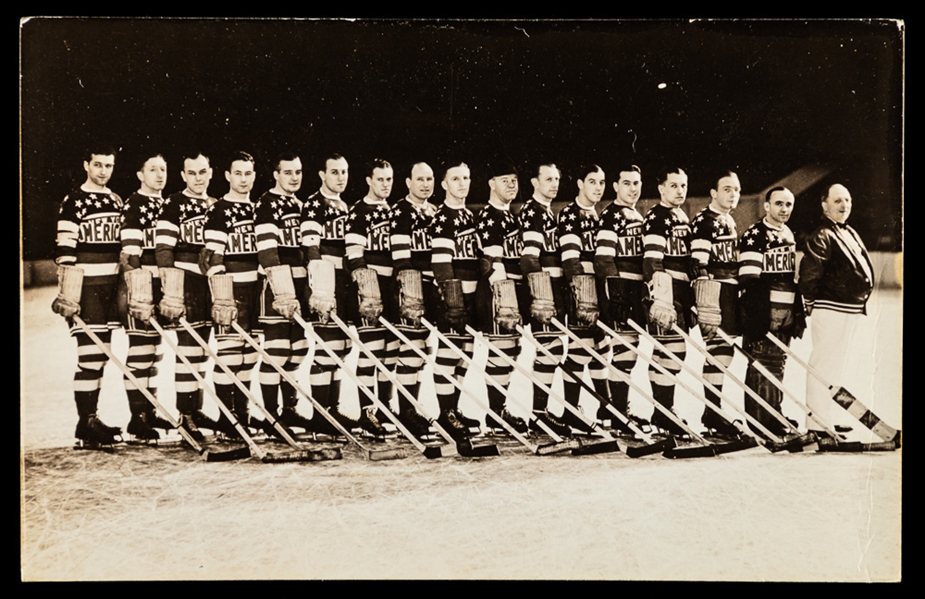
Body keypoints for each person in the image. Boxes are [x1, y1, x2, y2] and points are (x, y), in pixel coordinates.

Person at [52, 146, 124, 447]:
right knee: (90, 356)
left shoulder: (116, 200)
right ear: (86, 165)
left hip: (110, 287)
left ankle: (91, 419)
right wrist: (69, 291)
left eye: (108, 165)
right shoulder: (74, 202)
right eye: (97, 165)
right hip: (87, 289)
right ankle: (86, 422)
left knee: (102, 353)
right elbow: (65, 251)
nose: (103, 171)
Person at [155, 151, 221, 442]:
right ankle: (185, 413)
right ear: (183, 175)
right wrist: (171, 287)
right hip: (186, 282)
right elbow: (164, 249)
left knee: (203, 350)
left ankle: (197, 408)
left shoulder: (216, 205)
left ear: (210, 172)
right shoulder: (173, 203)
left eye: (203, 171)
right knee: (188, 351)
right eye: (192, 173)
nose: (198, 178)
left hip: (210, 284)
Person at [798, 183, 873, 436]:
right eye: (838, 200)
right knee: (823, 366)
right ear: (824, 204)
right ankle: (817, 425)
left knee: (836, 368)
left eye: (848, 200)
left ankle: (826, 417)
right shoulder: (822, 233)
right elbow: (809, 275)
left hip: (848, 309)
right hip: (831, 309)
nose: (844, 205)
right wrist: (810, 304)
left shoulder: (846, 231)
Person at [199, 151, 263, 437]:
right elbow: (211, 257)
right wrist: (221, 292)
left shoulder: (257, 208)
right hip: (231, 291)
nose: (243, 179)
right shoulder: (220, 209)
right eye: (238, 173)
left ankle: (243, 412)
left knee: (249, 356)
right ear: (227, 176)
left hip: (255, 289)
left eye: (248, 173)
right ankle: (228, 418)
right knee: (230, 355)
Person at [738, 186, 805, 437]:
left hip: (784, 312)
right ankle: (759, 420)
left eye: (788, 204)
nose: (784, 209)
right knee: (762, 364)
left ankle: (774, 413)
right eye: (778, 203)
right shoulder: (755, 234)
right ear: (766, 206)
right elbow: (748, 278)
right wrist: (757, 317)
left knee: (778, 364)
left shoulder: (787, 232)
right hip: (764, 312)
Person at [253, 152, 313, 432]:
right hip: (277, 285)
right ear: (276, 174)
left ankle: (288, 410)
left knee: (299, 349)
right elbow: (267, 251)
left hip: (300, 284)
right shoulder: (266, 204)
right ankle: (270, 416)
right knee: (277, 351)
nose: (294, 177)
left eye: (298, 171)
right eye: (288, 172)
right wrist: (281, 288)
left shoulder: (300, 205)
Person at [118, 151, 175, 441]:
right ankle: (137, 417)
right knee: (140, 350)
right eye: (152, 169)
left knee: (155, 352)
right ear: (141, 175)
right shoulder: (135, 204)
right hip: (141, 286)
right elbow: (130, 252)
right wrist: (139, 287)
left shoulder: (167, 204)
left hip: (161, 285)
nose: (159, 175)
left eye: (163, 169)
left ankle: (148, 411)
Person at [300, 153, 357, 436]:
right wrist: (320, 286)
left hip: (343, 282)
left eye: (344, 172)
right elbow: (311, 248)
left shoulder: (343, 205)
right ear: (322, 175)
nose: (341, 177)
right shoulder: (314, 204)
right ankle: (320, 414)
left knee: (342, 348)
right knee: (328, 347)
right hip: (326, 283)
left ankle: (332, 409)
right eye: (334, 172)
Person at [343, 158, 400, 438]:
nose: (385, 184)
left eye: (389, 179)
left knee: (391, 353)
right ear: (369, 180)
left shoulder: (395, 210)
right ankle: (367, 412)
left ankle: (386, 408)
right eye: (380, 179)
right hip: (372, 288)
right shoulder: (359, 211)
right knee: (371, 351)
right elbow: (354, 255)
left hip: (395, 287)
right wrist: (365, 286)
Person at [387, 161, 444, 437]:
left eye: (430, 179)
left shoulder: (433, 212)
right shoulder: (401, 210)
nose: (425, 184)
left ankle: (414, 407)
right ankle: (406, 411)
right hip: (412, 287)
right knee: (412, 347)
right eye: (420, 179)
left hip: (432, 287)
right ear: (408, 182)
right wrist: (414, 289)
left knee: (424, 350)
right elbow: (400, 257)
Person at [688, 170, 744, 437]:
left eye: (736, 189)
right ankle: (712, 411)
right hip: (716, 293)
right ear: (713, 193)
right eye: (727, 189)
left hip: (731, 292)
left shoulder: (728, 220)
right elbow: (698, 263)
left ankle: (714, 410)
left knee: (725, 352)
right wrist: (706, 303)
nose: (733, 194)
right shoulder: (705, 220)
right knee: (718, 350)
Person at [594, 164, 649, 431]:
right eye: (627, 183)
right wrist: (615, 295)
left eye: (637, 183)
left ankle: (615, 411)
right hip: (619, 293)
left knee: (629, 353)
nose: (633, 188)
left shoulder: (635, 215)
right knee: (625, 353)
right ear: (615, 187)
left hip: (634, 292)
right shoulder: (611, 216)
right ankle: (618, 413)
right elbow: (604, 259)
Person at [474, 161, 528, 434]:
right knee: (501, 352)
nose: (511, 184)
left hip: (514, 292)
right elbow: (492, 262)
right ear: (491, 183)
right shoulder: (489, 215)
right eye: (504, 179)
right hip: (500, 293)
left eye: (514, 180)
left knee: (511, 351)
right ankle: (495, 415)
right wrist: (504, 296)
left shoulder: (511, 215)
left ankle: (500, 411)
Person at [429, 161, 482, 436]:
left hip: (472, 298)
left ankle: (455, 408)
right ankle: (445, 413)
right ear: (444, 184)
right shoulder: (443, 217)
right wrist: (453, 301)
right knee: (449, 355)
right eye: (456, 178)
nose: (463, 183)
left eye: (466, 177)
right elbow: (441, 265)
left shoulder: (470, 216)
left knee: (466, 355)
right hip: (454, 299)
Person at [518, 162, 571, 436]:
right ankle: (538, 416)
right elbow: (528, 257)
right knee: (549, 350)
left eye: (557, 179)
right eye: (548, 179)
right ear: (534, 182)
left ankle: (540, 414)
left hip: (555, 290)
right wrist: (541, 294)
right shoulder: (532, 212)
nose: (554, 184)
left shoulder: (549, 212)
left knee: (552, 351)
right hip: (544, 292)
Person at [641, 167, 695, 435]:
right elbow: (652, 260)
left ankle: (662, 411)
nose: (679, 191)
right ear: (661, 188)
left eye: (683, 186)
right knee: (669, 350)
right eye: (673, 185)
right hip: (666, 295)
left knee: (673, 351)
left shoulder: (681, 216)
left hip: (682, 295)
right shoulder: (657, 217)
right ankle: (663, 412)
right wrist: (661, 299)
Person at [557, 164, 610, 433]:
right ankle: (570, 408)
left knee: (603, 348)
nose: (598, 187)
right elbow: (570, 259)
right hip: (581, 292)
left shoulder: (597, 215)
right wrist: (582, 293)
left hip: (598, 291)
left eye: (601, 182)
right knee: (580, 350)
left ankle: (605, 405)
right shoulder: (570, 214)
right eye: (592, 181)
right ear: (580, 183)